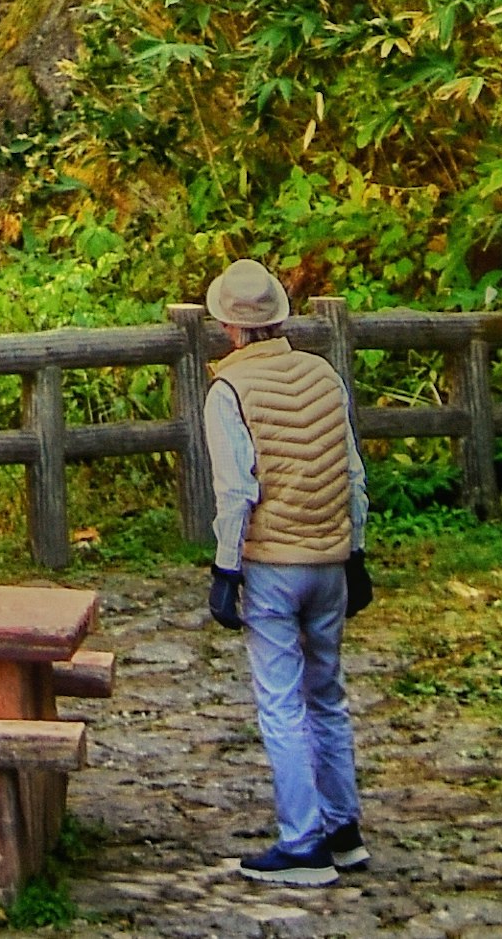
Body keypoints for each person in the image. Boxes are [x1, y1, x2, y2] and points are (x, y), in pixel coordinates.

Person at [200, 258, 372, 879]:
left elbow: (235, 490)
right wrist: (357, 552)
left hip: (272, 562)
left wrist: (226, 571)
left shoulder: (229, 391)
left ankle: (303, 843)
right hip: (330, 556)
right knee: (326, 694)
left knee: (280, 700)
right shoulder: (323, 373)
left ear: (226, 325)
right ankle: (344, 827)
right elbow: (352, 471)